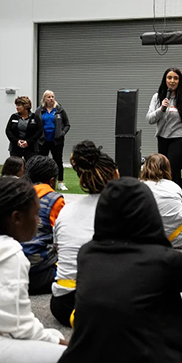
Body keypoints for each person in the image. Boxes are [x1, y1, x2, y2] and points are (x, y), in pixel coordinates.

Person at [58, 177, 182, 362]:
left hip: (86, 356)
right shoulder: (163, 258)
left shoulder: (87, 253)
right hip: (154, 356)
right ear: (149, 213)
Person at [50, 140, 119, 327]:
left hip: (63, 302)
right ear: (115, 174)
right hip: (102, 298)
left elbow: (59, 250)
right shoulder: (122, 210)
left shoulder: (65, 211)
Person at [0, 176, 67, 362]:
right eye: (36, 215)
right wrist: (62, 343)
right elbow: (19, 327)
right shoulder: (11, 252)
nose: (38, 221)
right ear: (17, 218)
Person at [147, 67, 182, 205]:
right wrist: (161, 108)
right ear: (165, 80)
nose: (172, 81)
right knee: (166, 173)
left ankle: (181, 204)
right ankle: (175, 202)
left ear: (180, 81)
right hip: (163, 139)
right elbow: (150, 119)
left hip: (181, 139)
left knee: (172, 170)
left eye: (175, 78)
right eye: (169, 78)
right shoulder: (157, 98)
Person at [22, 155, 65, 295]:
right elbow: (63, 238)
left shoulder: (14, 194)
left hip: (11, 271)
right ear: (52, 181)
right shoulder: (54, 200)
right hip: (40, 274)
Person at [36, 90, 70, 191]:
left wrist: (62, 133)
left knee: (58, 161)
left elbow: (67, 124)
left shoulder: (59, 109)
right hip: (43, 140)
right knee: (42, 161)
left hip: (57, 141)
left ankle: (60, 182)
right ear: (44, 99)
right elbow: (36, 124)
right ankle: (42, 181)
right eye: (49, 97)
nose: (51, 99)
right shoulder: (39, 111)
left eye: (52, 96)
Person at [5, 96, 43, 161]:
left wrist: (28, 142)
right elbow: (8, 130)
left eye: (19, 105)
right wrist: (17, 141)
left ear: (25, 106)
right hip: (16, 147)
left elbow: (39, 131)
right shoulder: (14, 117)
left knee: (30, 167)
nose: (17, 107)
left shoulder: (35, 117)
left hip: (31, 147)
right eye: (16, 105)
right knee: (15, 167)